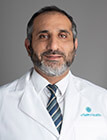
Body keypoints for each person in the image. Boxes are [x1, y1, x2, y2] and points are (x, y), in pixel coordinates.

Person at [0, 6, 107, 140]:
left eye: (62, 36)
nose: (53, 46)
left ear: (75, 45)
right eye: (43, 36)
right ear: (29, 46)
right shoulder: (2, 102)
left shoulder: (103, 100)